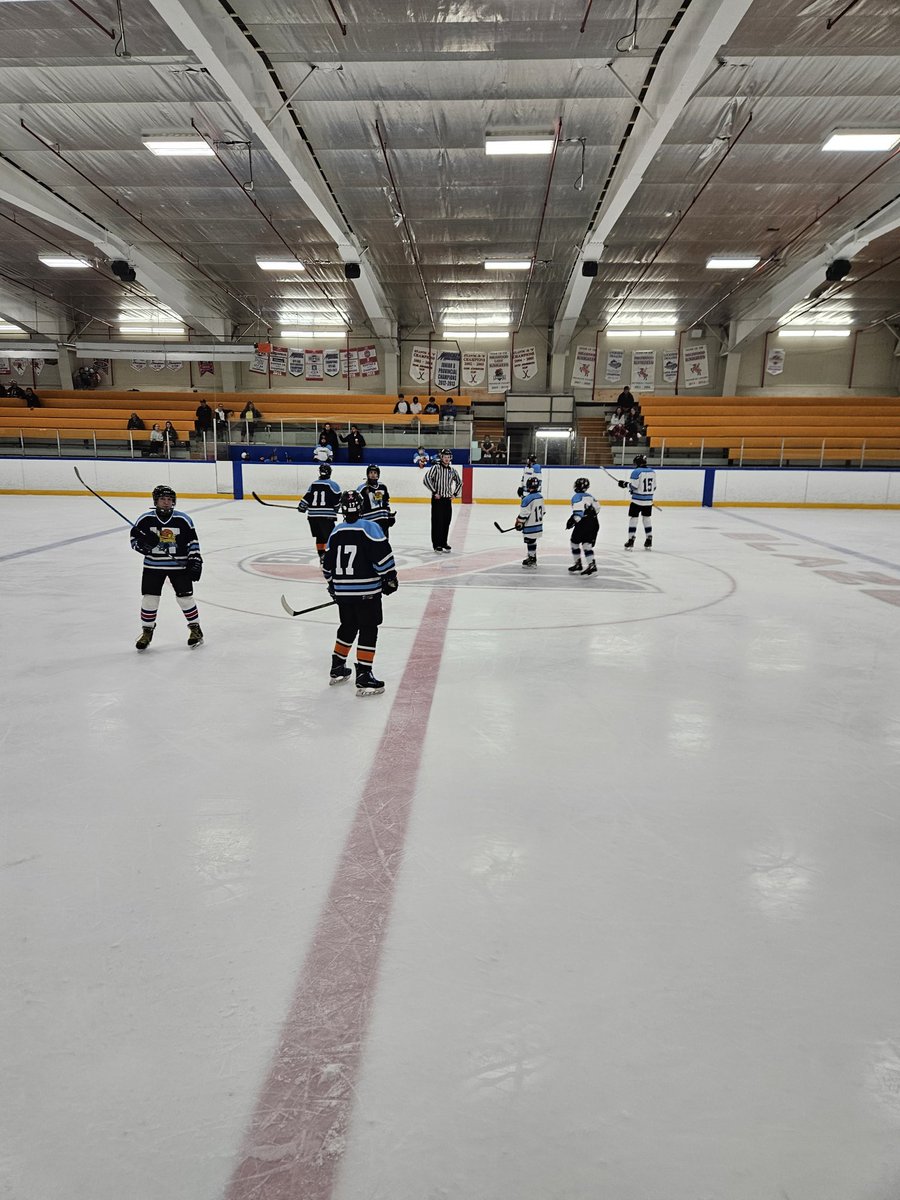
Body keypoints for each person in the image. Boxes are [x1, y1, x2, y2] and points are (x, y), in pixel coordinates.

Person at [322, 489, 398, 696]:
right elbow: (382, 558)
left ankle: (337, 667)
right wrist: (390, 578)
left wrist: (333, 586)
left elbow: (327, 566)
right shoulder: (370, 528)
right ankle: (364, 675)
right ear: (362, 506)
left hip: (343, 593)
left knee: (347, 626)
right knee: (368, 629)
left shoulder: (336, 531)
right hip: (367, 593)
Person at [129, 484, 203, 650]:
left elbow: (193, 542)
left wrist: (195, 560)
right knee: (150, 600)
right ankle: (147, 632)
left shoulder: (183, 519)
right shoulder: (145, 519)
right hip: (152, 567)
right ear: (156, 500)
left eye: (169, 499)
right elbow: (134, 542)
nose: (166, 502)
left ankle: (196, 630)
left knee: (185, 599)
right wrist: (145, 545)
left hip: (180, 567)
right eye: (163, 499)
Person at [298, 463, 343, 561]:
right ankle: (329, 555)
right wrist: (336, 509)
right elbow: (337, 501)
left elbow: (306, 499)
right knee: (330, 537)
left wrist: (302, 506)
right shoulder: (333, 485)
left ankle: (321, 555)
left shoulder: (314, 484)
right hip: (326, 516)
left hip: (312, 517)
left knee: (319, 537)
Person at [423, 447, 461, 553]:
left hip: (447, 500)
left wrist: (455, 494)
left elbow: (459, 482)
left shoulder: (452, 470)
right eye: (445, 457)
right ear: (441, 457)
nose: (447, 459)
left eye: (448, 457)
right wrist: (434, 492)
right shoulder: (436, 468)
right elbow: (426, 479)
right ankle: (437, 544)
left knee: (446, 522)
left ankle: (444, 542)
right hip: (437, 500)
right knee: (437, 522)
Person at [617, 453, 656, 550]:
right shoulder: (652, 472)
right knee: (646, 518)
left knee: (634, 518)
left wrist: (624, 484)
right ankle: (649, 538)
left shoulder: (636, 472)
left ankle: (631, 539)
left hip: (637, 501)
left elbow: (634, 486)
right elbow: (654, 487)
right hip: (648, 501)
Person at [565, 477, 600, 576]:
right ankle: (591, 564)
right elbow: (597, 508)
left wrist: (573, 520)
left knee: (574, 542)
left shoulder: (576, 497)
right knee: (587, 544)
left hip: (584, 523)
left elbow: (579, 513)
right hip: (594, 522)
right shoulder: (590, 496)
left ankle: (578, 563)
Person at [515, 476, 544, 568]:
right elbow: (543, 511)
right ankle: (532, 557)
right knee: (532, 541)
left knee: (530, 541)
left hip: (530, 526)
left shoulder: (527, 499)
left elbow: (524, 514)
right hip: (538, 525)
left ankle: (532, 559)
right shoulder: (540, 497)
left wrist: (519, 523)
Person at [357, 464, 394, 534]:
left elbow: (386, 502)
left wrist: (389, 515)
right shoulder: (362, 489)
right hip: (369, 522)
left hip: (383, 521)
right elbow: (357, 505)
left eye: (375, 473)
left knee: (384, 542)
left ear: (378, 475)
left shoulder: (382, 487)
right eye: (371, 473)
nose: (373, 475)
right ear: (367, 474)